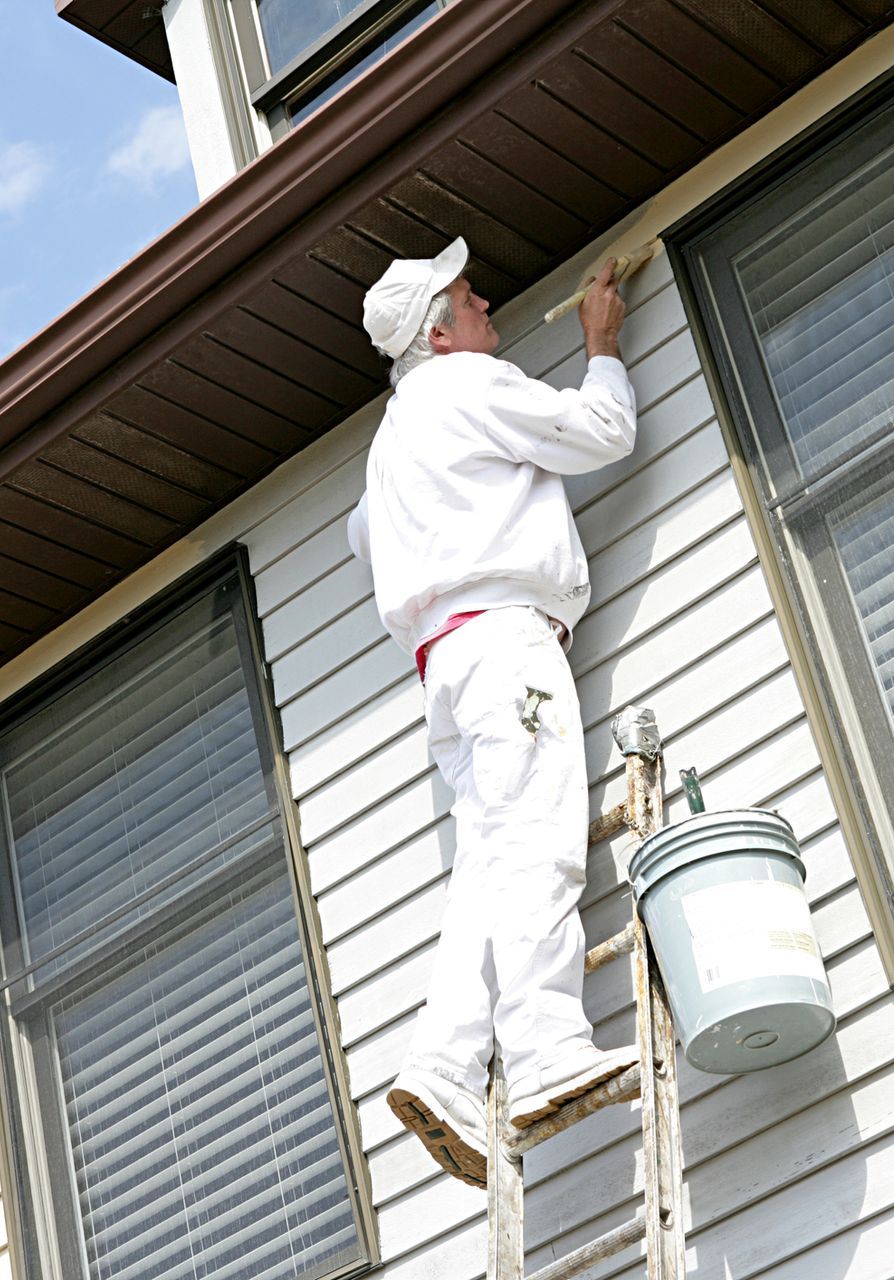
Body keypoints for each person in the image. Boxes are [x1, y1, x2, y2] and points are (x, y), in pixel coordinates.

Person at [348, 236, 638, 1187]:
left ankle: (442, 1066)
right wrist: (601, 343)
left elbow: (368, 543)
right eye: (469, 300)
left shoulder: (388, 451)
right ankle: (550, 1051)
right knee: (537, 846)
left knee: (487, 866)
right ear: (437, 331)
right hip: (508, 643)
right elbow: (600, 434)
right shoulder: (469, 385)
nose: (486, 307)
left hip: (445, 666)